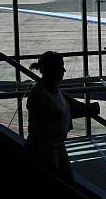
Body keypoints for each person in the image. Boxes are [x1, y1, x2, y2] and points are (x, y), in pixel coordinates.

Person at [26, 51, 100, 185]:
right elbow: (58, 115)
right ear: (52, 70)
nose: (64, 70)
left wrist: (87, 108)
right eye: (61, 67)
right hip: (47, 150)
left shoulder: (53, 88)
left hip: (55, 144)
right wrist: (89, 110)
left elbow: (66, 105)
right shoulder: (40, 97)